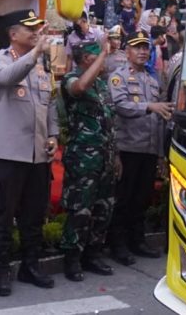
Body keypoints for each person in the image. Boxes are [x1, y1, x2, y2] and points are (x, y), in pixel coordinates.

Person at [0, 9, 59, 296]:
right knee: (4, 215)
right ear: (13, 34)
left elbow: (50, 102)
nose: (35, 32)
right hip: (8, 154)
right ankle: (2, 271)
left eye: (37, 28)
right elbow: (5, 78)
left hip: (38, 154)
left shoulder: (43, 63)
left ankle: (31, 266)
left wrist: (53, 134)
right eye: (29, 28)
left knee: (33, 215)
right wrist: (35, 54)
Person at [107, 31, 171, 265]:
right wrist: (149, 106)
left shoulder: (154, 79)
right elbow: (121, 106)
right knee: (124, 198)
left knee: (142, 198)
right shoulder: (119, 76)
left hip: (149, 148)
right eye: (137, 47)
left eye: (146, 47)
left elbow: (161, 115)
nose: (143, 51)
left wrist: (162, 153)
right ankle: (118, 244)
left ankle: (137, 240)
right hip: (128, 147)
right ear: (127, 52)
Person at [59, 41, 119, 281]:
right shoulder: (70, 79)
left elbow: (110, 122)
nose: (104, 63)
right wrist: (104, 52)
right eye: (97, 58)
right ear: (86, 58)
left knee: (104, 208)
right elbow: (80, 88)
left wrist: (117, 156)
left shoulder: (103, 86)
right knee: (80, 209)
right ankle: (72, 258)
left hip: (106, 158)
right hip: (83, 159)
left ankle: (93, 254)